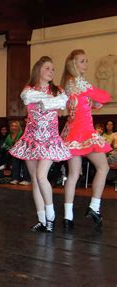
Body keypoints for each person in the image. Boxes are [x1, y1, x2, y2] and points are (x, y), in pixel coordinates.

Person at [9, 56, 71, 233]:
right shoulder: (29, 90)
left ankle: (50, 214)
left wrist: (48, 101)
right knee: (35, 179)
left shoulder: (58, 90)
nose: (51, 71)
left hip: (49, 140)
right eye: (47, 68)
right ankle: (42, 220)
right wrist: (50, 101)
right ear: (38, 70)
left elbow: (61, 103)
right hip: (31, 140)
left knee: (42, 175)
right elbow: (28, 98)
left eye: (53, 69)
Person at [61, 49, 111, 230]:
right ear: (73, 63)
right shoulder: (80, 82)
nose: (86, 65)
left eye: (86, 61)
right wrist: (96, 98)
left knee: (73, 175)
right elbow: (104, 97)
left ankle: (68, 217)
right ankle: (94, 207)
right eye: (82, 61)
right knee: (103, 167)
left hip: (70, 133)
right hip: (83, 132)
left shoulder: (68, 83)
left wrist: (92, 101)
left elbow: (88, 103)